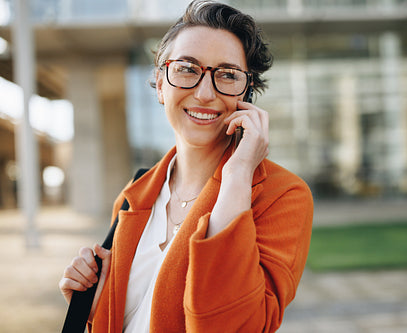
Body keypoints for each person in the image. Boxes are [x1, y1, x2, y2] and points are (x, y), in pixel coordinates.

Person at [59, 1, 313, 332]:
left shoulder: (282, 196)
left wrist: (237, 175)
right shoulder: (133, 195)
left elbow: (233, 325)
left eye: (227, 75)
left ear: (247, 92)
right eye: (187, 69)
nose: (205, 93)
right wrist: (99, 308)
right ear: (161, 83)